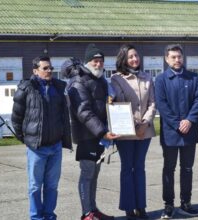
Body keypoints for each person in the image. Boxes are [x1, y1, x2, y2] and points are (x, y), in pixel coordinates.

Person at [11, 56, 72, 220]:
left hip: (55, 147)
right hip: (37, 148)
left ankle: (49, 216)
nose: (49, 71)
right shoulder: (27, 88)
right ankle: (36, 217)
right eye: (45, 68)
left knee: (52, 186)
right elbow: (16, 117)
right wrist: (26, 139)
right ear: (35, 71)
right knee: (35, 186)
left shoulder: (59, 87)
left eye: (51, 68)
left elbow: (64, 115)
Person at [63, 44, 119, 220]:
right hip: (87, 136)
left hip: (100, 136)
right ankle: (86, 213)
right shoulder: (79, 81)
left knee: (94, 174)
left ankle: (93, 209)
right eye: (95, 61)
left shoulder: (100, 79)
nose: (98, 64)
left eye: (101, 61)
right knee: (87, 174)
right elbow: (83, 112)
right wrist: (102, 132)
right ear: (88, 62)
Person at [155, 44, 198, 219]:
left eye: (179, 57)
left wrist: (190, 120)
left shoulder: (194, 79)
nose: (177, 60)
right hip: (171, 133)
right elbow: (162, 105)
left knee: (187, 169)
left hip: (189, 132)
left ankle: (186, 203)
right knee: (169, 169)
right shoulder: (161, 80)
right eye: (173, 57)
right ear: (166, 59)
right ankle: (168, 205)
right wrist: (178, 124)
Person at [110, 44, 156, 219]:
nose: (134, 59)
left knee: (140, 168)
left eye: (136, 56)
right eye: (130, 57)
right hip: (126, 132)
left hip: (145, 131)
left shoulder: (147, 77)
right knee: (127, 168)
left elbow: (152, 103)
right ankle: (129, 207)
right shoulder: (116, 78)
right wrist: (133, 125)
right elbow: (118, 103)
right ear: (123, 59)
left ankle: (141, 206)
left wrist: (145, 123)